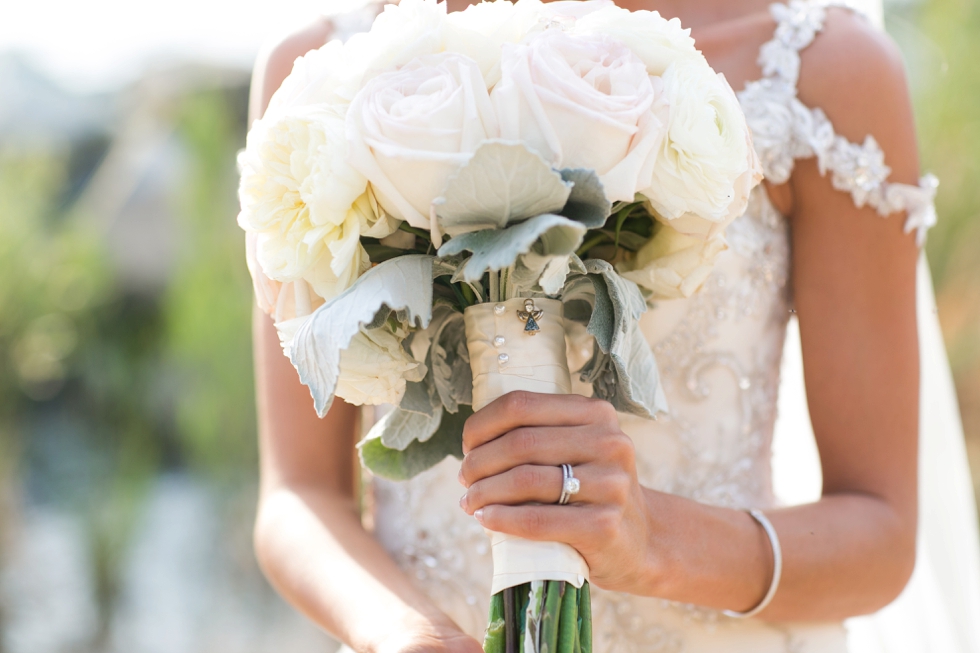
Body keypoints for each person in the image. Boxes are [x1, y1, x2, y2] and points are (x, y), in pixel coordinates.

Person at [246, 0, 980, 651]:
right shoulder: (322, 83)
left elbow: (879, 535)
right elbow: (297, 497)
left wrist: (652, 539)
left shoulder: (820, 73)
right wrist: (404, 631)